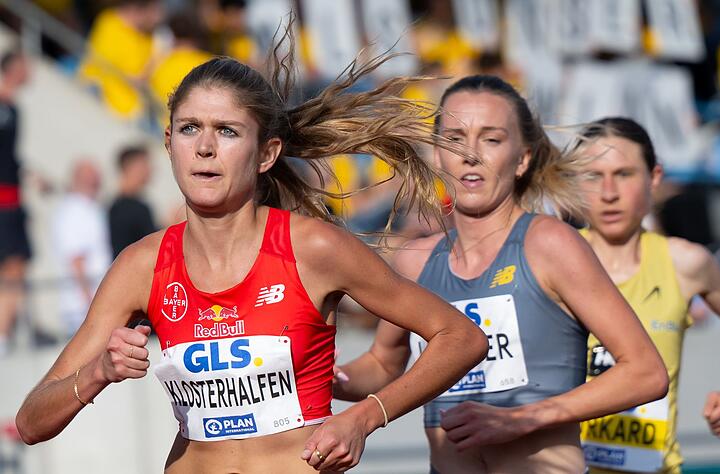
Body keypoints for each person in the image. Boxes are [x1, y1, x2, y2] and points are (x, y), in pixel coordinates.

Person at [16, 26, 488, 473]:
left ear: (266, 153)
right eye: (189, 128)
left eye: (227, 131)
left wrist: (365, 416)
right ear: (169, 142)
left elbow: (461, 338)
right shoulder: (142, 265)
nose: (205, 147)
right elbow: (32, 422)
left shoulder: (313, 248)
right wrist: (98, 372)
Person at [334, 76, 668, 474]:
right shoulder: (415, 261)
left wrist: (522, 418)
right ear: (437, 155)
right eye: (455, 139)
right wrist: (327, 376)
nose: (470, 155)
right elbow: (384, 365)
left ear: (522, 159)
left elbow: (646, 373)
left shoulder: (550, 245)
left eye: (491, 139)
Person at [575, 117, 720, 474]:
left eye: (623, 174)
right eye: (593, 176)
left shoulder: (686, 263)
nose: (608, 192)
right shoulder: (550, 260)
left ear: (654, 177)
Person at [52, 160, 112, 337]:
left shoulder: (90, 208)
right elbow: (76, 260)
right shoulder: (74, 211)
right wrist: (92, 305)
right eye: (89, 178)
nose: (94, 182)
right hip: (83, 309)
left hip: (93, 305)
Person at [0, 49, 31, 355]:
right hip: (5, 203)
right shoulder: (5, 107)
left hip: (12, 200)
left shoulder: (12, 107)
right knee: (12, 267)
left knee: (15, 267)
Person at [108, 145, 157, 258]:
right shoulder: (134, 209)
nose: (150, 170)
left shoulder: (114, 206)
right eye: (145, 164)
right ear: (132, 167)